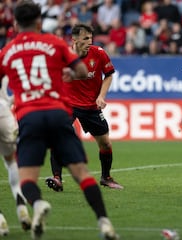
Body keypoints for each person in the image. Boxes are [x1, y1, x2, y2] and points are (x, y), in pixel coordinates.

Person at [0, 1, 119, 239]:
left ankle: (38, 205)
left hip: (28, 115)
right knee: (82, 173)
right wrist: (69, 72)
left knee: (25, 178)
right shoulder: (54, 43)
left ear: (14, 24)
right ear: (39, 22)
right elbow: (82, 71)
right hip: (58, 111)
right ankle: (104, 222)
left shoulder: (7, 51)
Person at [46, 23, 123, 191]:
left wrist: (101, 96)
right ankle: (56, 177)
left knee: (105, 144)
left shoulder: (99, 53)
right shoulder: (62, 55)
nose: (90, 41)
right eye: (85, 38)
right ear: (74, 40)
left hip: (90, 106)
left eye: (91, 38)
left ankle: (106, 177)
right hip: (67, 104)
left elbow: (109, 74)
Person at [0, 76, 31, 234]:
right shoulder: (4, 59)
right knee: (11, 161)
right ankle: (21, 205)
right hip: (4, 114)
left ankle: (0, 220)